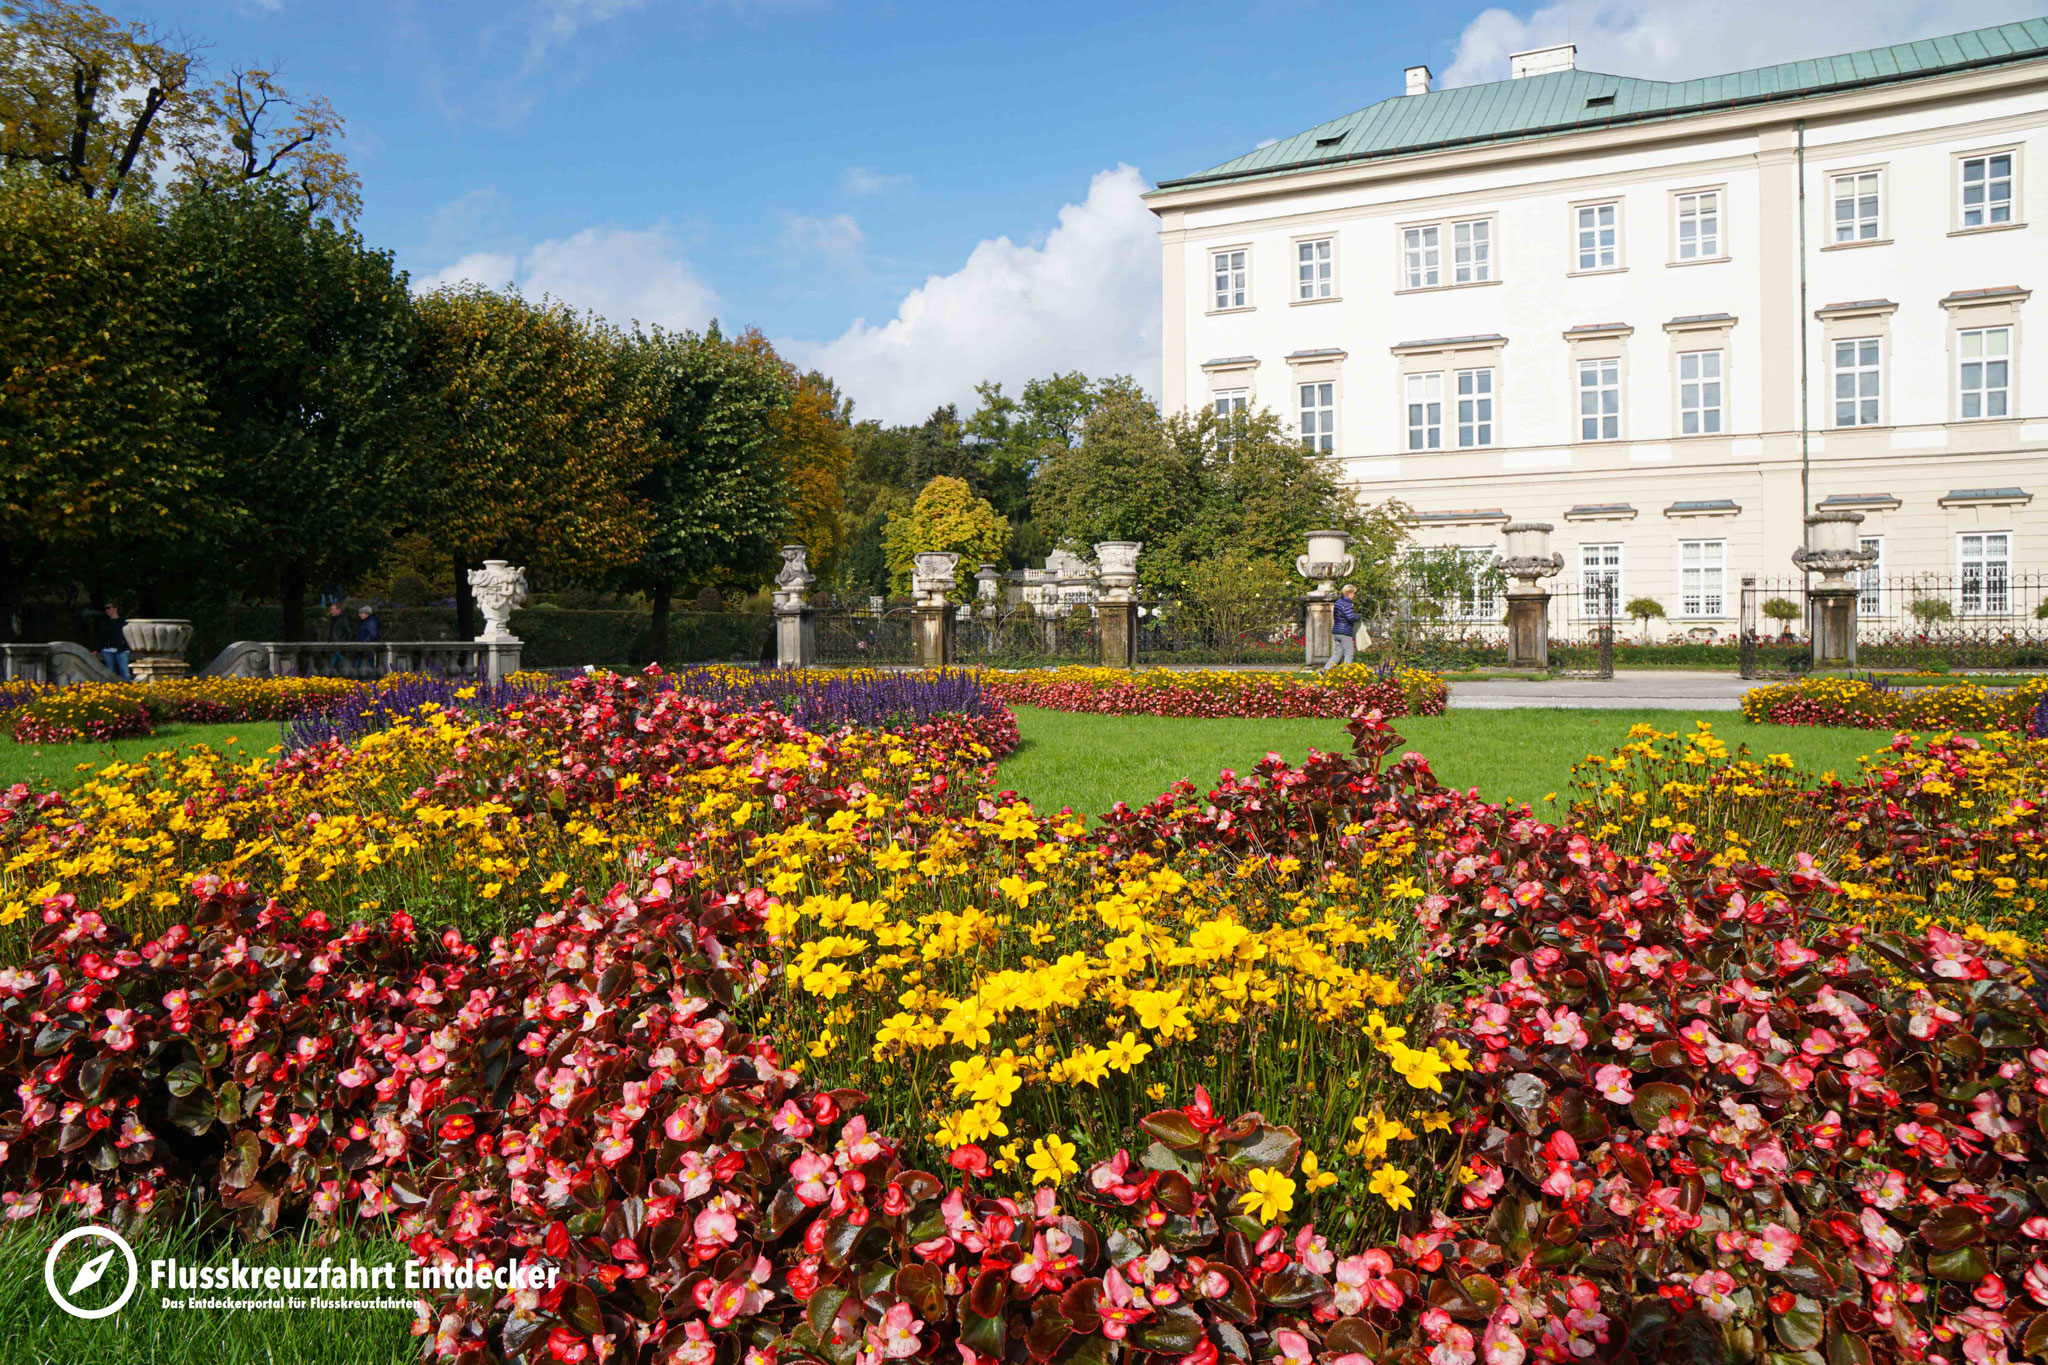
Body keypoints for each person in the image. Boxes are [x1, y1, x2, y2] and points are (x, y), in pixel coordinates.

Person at [1325, 583, 1364, 671]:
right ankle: (1346, 674)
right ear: (1349, 593)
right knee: (1349, 653)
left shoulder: (1338, 602)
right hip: (1345, 631)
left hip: (1336, 631)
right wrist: (1358, 616)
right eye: (1353, 593)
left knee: (1338, 653)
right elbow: (1350, 617)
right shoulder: (1347, 603)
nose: (1354, 595)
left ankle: (1325, 670)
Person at [95, 602, 133, 681]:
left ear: (115, 609)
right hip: (107, 650)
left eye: (109, 608)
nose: (107, 610)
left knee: (124, 672)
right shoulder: (104, 622)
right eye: (106, 608)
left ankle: (128, 690)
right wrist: (96, 649)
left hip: (122, 650)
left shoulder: (124, 622)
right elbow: (101, 636)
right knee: (110, 672)